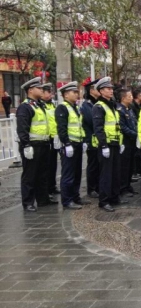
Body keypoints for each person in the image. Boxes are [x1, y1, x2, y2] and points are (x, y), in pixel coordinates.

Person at [16, 77, 52, 212]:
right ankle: (28, 202)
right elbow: (22, 128)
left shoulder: (39, 105)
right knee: (29, 175)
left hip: (43, 144)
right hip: (32, 145)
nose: (42, 90)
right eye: (39, 88)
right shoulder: (25, 107)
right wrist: (26, 145)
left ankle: (43, 199)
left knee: (42, 173)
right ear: (30, 90)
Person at [92, 77, 124, 212]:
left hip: (115, 143)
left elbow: (116, 126)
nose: (111, 91)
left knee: (116, 172)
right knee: (106, 174)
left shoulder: (112, 105)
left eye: (111, 88)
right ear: (100, 91)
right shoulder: (99, 106)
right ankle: (104, 201)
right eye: (107, 88)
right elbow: (98, 128)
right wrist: (104, 145)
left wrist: (121, 143)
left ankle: (114, 197)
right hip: (106, 145)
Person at [55, 81, 84, 210]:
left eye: (77, 92)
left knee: (77, 173)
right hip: (69, 145)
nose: (77, 94)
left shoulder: (75, 107)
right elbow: (62, 128)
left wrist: (82, 140)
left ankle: (75, 197)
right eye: (74, 92)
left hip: (77, 143)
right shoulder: (62, 108)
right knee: (68, 174)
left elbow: (78, 126)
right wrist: (66, 143)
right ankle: (67, 200)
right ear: (66, 95)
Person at [81, 78, 100, 198]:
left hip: (98, 140)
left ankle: (97, 187)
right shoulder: (87, 105)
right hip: (91, 140)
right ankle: (91, 188)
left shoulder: (96, 103)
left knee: (99, 165)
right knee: (93, 165)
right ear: (91, 91)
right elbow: (92, 122)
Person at [117, 88, 137, 198]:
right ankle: (122, 187)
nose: (131, 98)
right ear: (123, 98)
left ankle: (128, 185)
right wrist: (135, 134)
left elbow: (134, 123)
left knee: (130, 166)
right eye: (129, 96)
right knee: (124, 166)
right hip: (125, 141)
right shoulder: (120, 110)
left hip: (132, 141)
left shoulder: (129, 109)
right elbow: (123, 127)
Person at [41, 83, 59, 199]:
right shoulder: (40, 105)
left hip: (54, 138)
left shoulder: (52, 105)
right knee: (46, 166)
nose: (51, 94)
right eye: (48, 92)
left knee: (53, 164)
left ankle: (52, 186)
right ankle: (46, 189)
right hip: (46, 138)